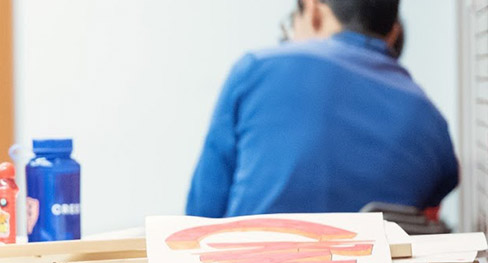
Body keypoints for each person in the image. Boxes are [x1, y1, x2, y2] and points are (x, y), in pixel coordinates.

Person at [186, 0, 458, 218]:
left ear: (313, 10)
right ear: (395, 31)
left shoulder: (256, 69)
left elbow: (200, 217)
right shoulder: (432, 120)